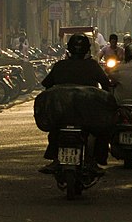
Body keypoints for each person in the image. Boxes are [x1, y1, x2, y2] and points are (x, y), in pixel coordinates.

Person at [38, 33, 113, 173]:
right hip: (88, 115)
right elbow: (106, 85)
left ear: (69, 50)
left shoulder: (60, 66)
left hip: (63, 114)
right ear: (87, 50)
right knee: (101, 130)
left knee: (55, 130)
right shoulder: (92, 66)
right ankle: (95, 161)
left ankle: (56, 159)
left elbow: (46, 84)